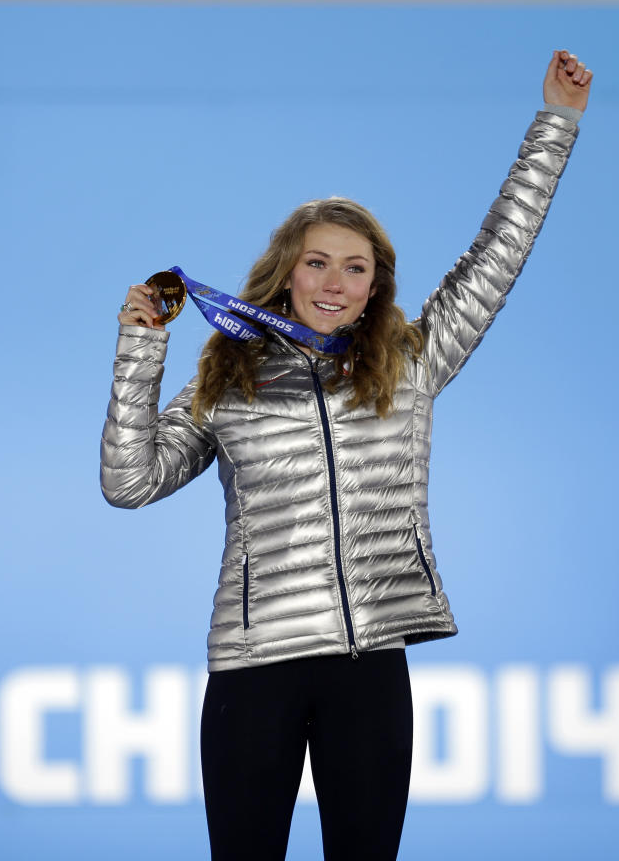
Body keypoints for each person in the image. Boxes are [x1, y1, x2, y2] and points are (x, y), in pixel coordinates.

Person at [101, 50, 592, 861]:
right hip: (254, 668)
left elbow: (498, 253)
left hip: (369, 671)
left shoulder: (410, 363)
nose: (335, 280)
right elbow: (130, 481)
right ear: (286, 273)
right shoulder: (228, 379)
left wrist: (557, 122)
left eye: (355, 267)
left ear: (375, 287)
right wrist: (139, 348)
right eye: (318, 261)